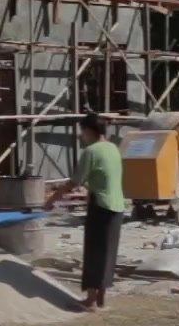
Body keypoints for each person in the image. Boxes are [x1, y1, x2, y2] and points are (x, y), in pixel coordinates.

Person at [51, 112, 126, 311]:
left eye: (82, 131)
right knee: (107, 254)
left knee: (94, 253)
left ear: (88, 130)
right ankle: (101, 299)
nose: (81, 136)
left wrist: (51, 200)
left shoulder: (91, 151)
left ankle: (90, 301)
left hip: (100, 206)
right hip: (117, 206)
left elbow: (74, 182)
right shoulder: (113, 148)